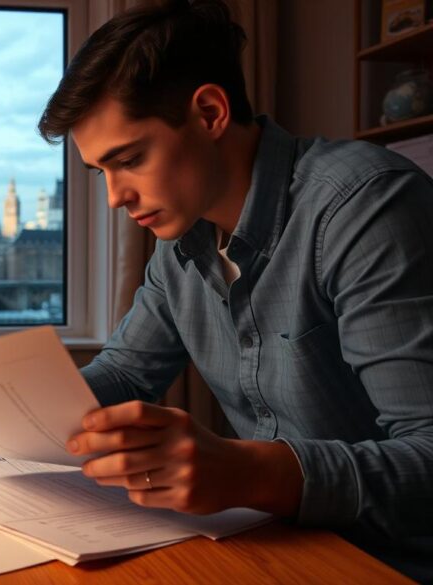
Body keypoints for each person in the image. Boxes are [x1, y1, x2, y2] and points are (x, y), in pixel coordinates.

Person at [37, 0, 433, 580]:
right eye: (101, 172)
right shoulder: (177, 246)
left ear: (210, 112)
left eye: (130, 160)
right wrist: (2, 408)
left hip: (386, 564)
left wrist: (251, 473)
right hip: (269, 546)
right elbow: (123, 374)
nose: (115, 197)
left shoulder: (365, 207)